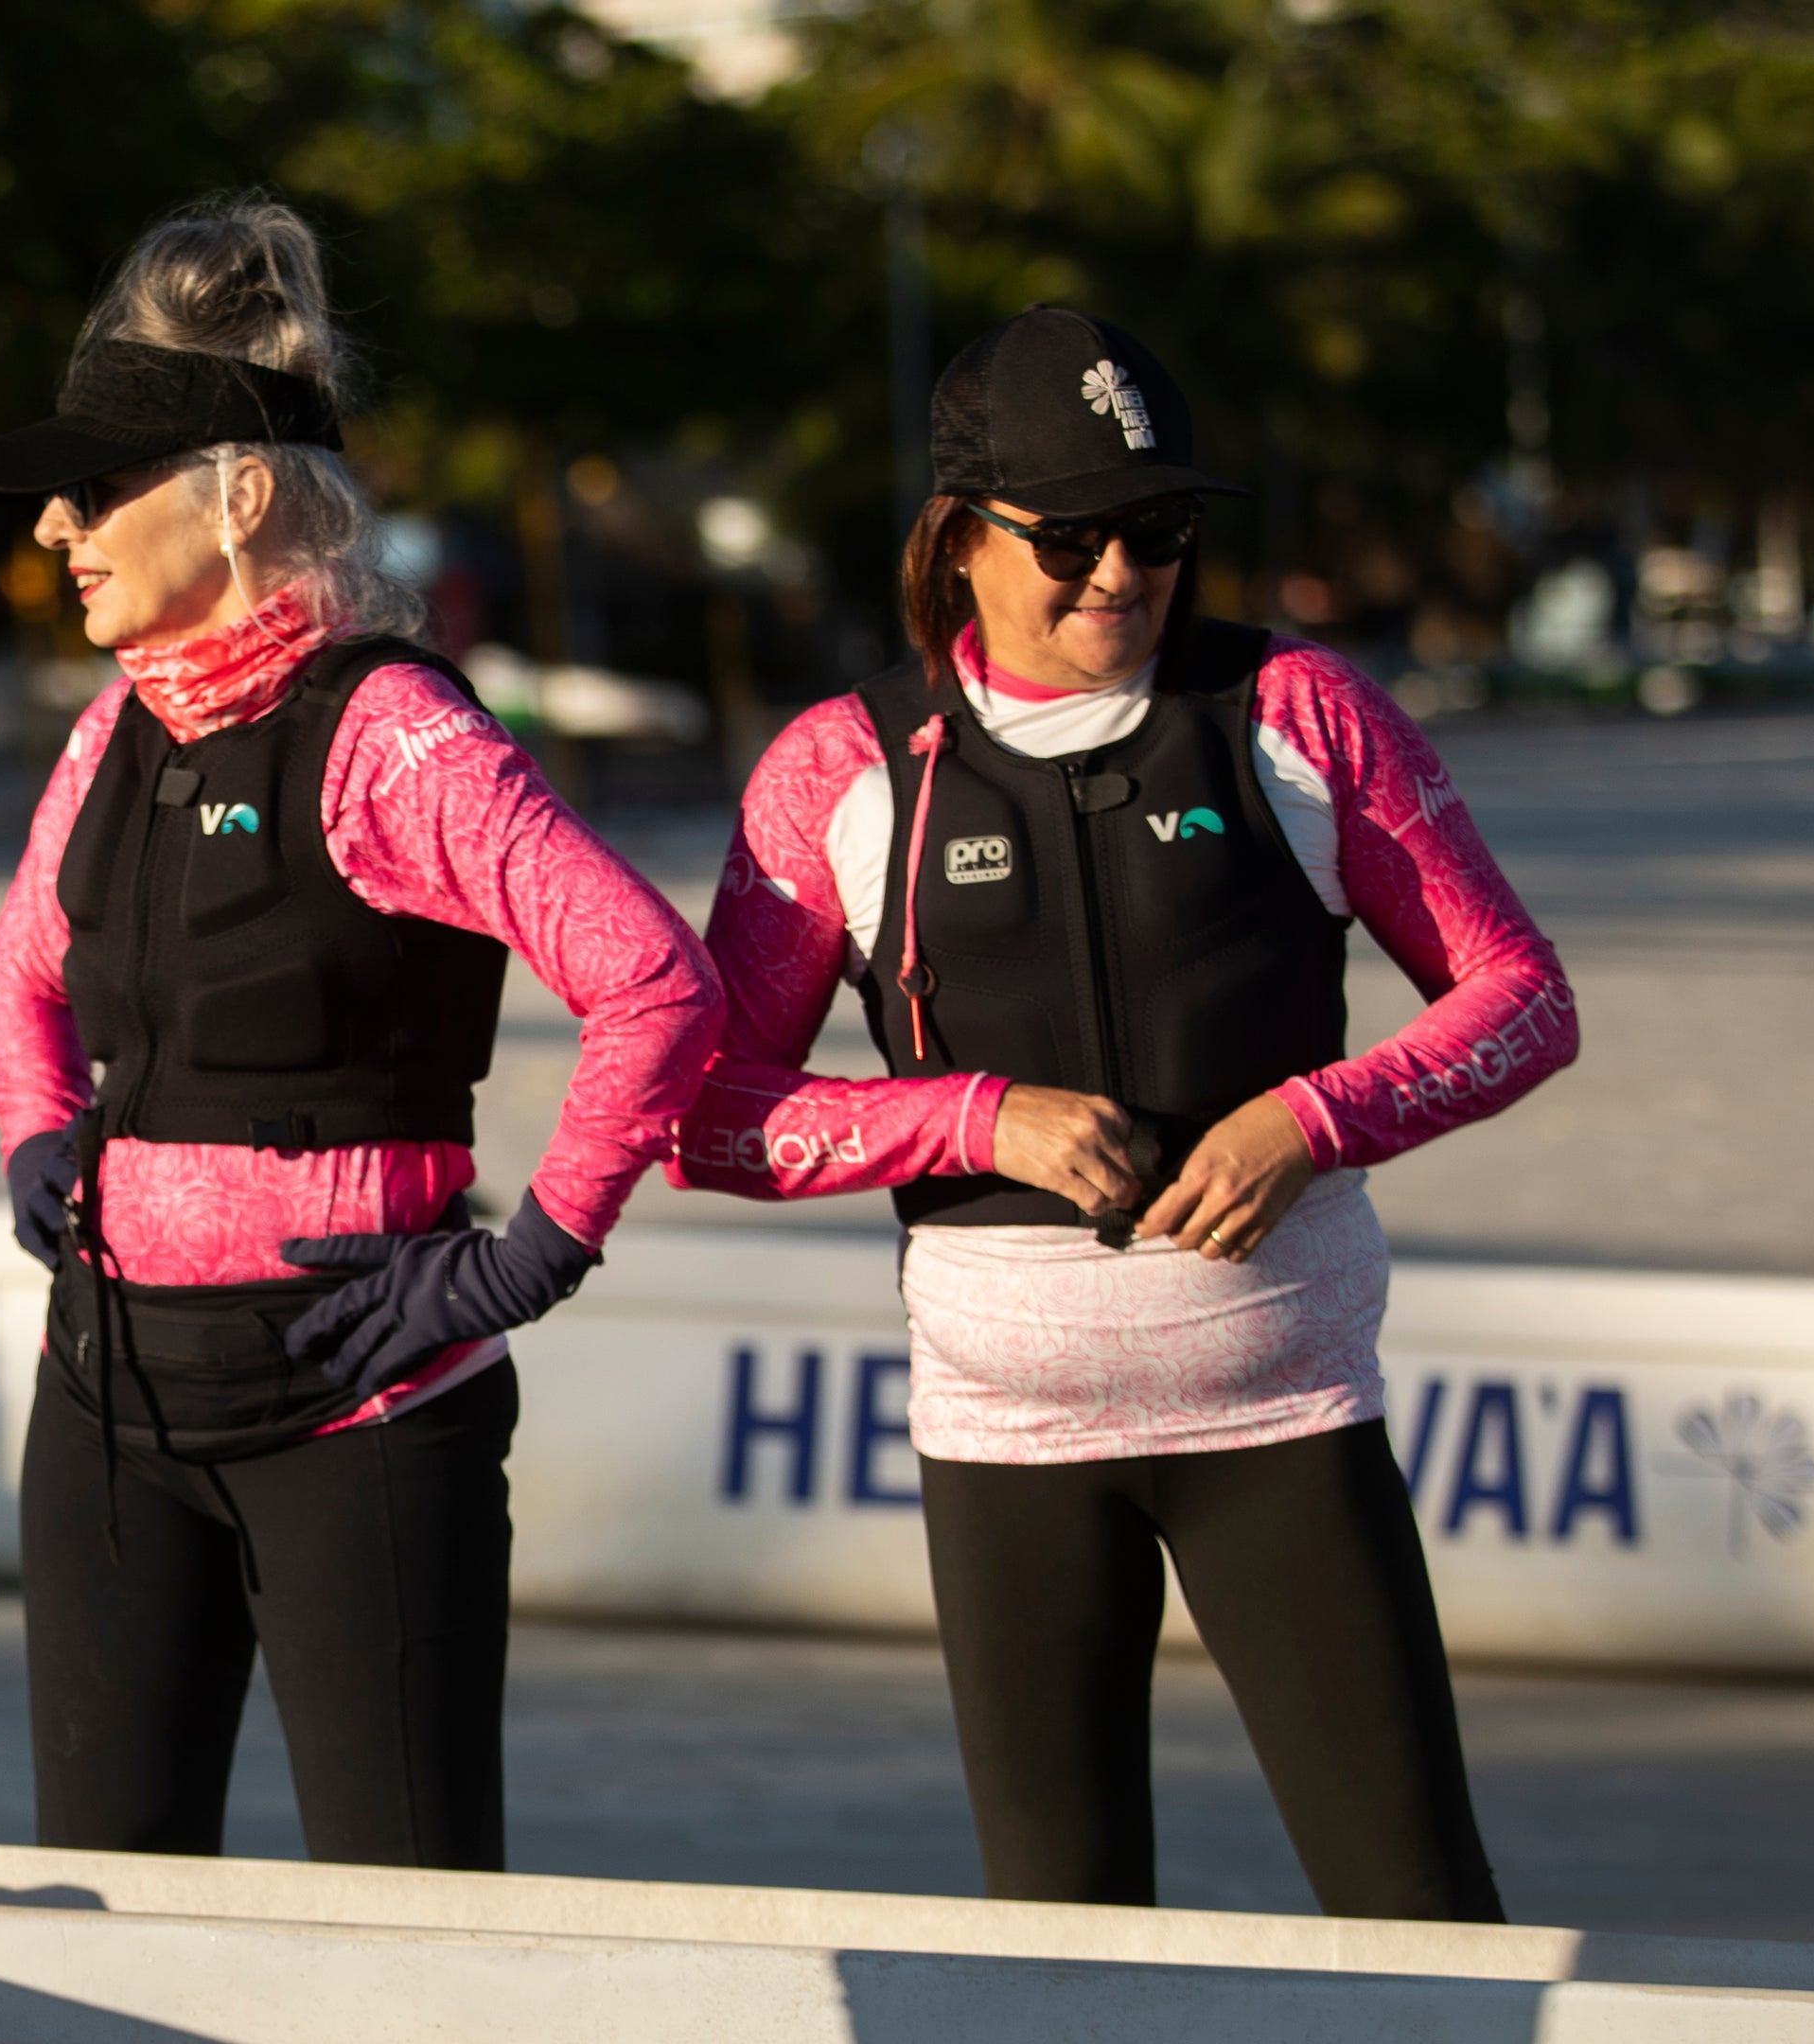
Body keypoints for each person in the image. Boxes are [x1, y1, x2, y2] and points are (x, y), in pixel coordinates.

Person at [673, 307, 1574, 1919]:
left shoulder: (1303, 713)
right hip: (1008, 1439)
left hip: (1281, 1415)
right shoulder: (842, 769)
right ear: (960, 542)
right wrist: (971, 1120)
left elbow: (1523, 998)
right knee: (1065, 1942)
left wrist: (1314, 1116)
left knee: (1422, 1913)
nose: (1120, 576)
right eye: (1072, 535)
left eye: (1157, 530)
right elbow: (713, 1116)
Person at [0, 198, 721, 1872]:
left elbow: (658, 984)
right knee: (105, 1910)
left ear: (233, 492)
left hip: (354, 1410)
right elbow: (20, 971)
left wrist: (530, 1259)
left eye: (98, 485)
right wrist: (32, 1131)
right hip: (108, 1398)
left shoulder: (395, 736)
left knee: (408, 1925)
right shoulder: (114, 730)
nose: (59, 526)